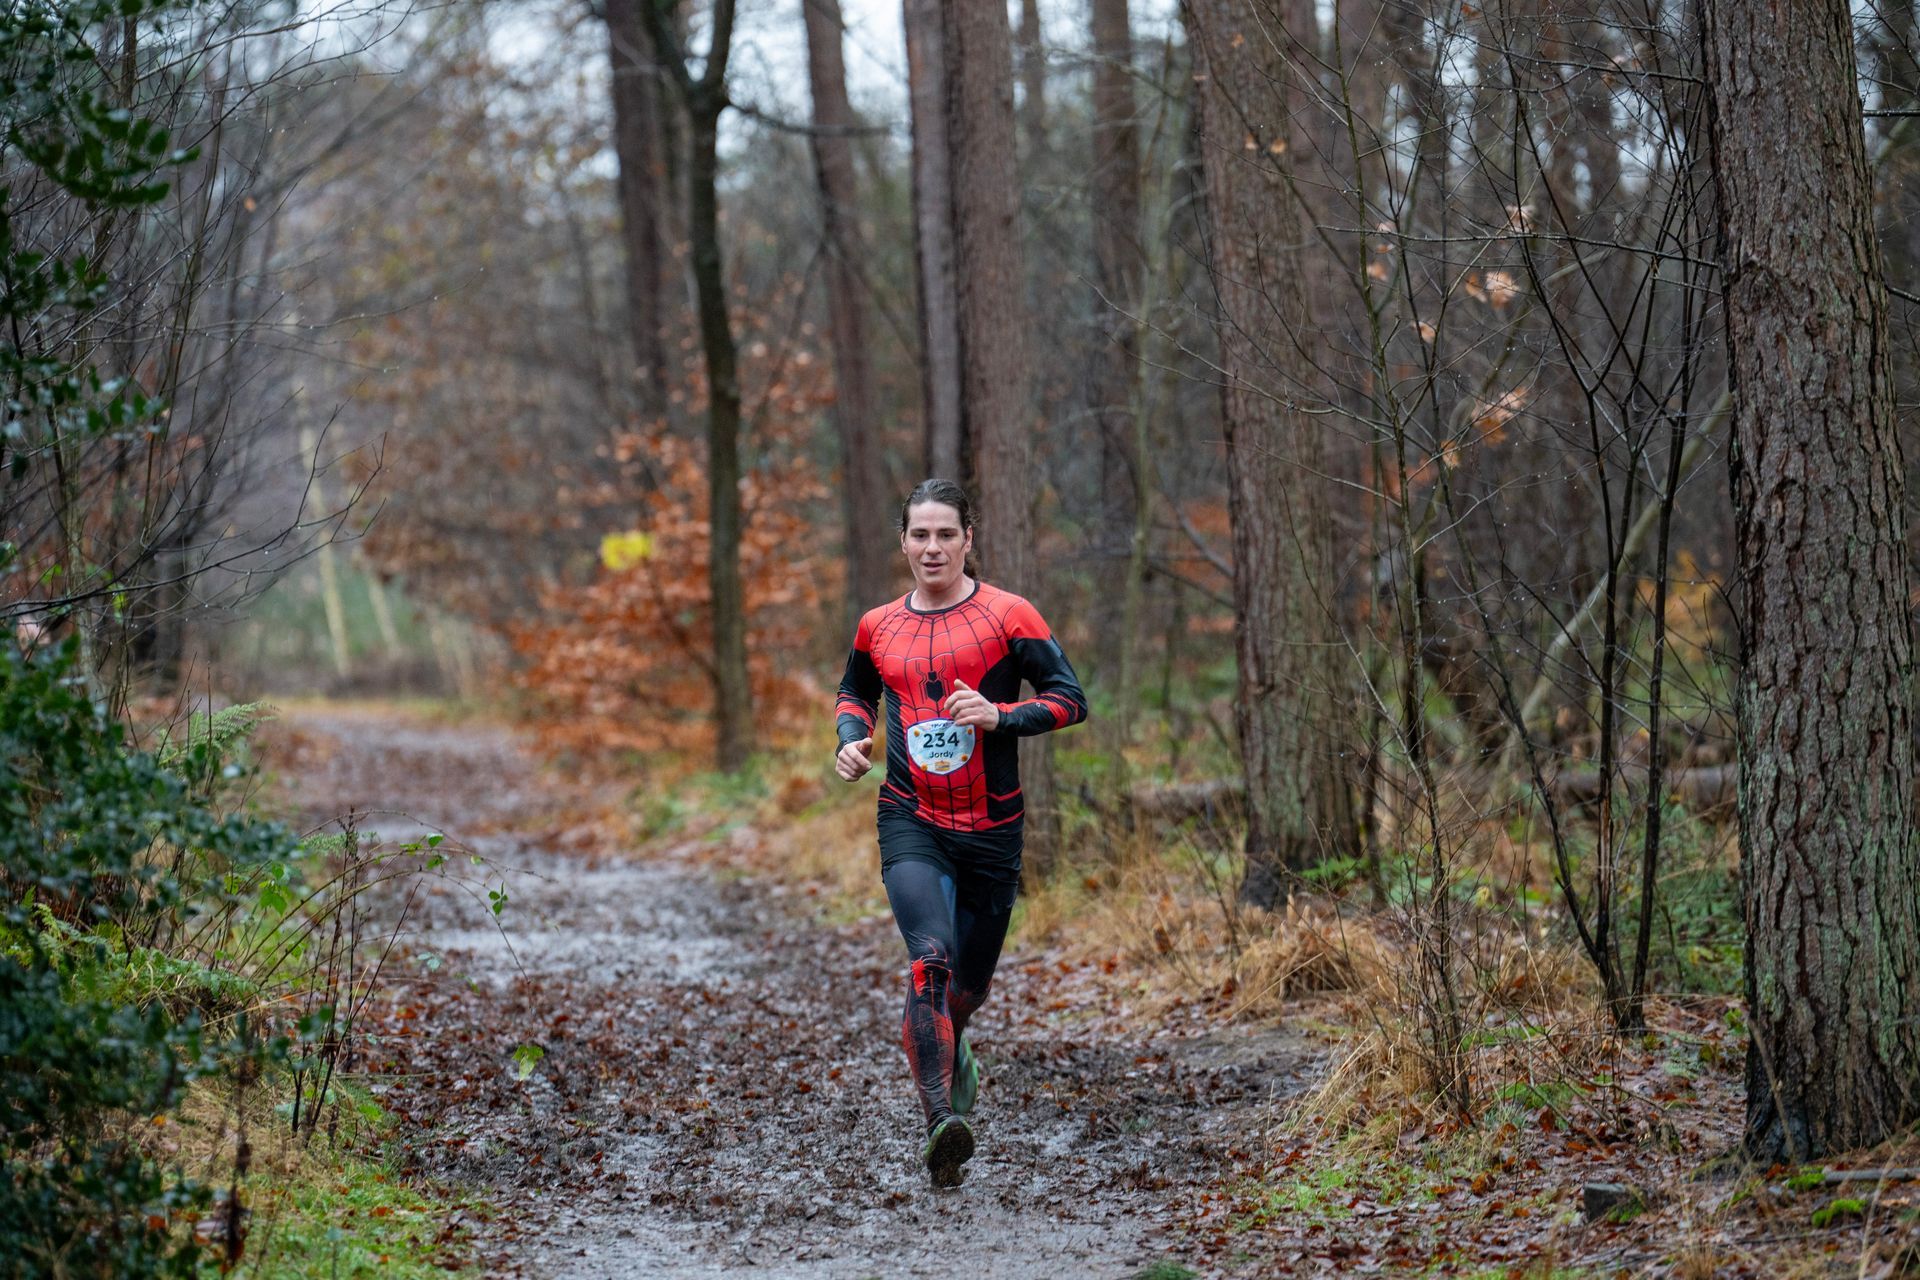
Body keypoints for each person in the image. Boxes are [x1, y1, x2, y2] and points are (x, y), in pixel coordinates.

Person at [833, 478, 1088, 1189]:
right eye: (920, 534)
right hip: (911, 818)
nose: (933, 547)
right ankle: (941, 1123)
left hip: (994, 830)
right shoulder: (877, 625)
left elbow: (1072, 700)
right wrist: (851, 741)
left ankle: (952, 1041)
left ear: (968, 538)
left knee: (965, 992)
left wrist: (1003, 717)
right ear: (904, 541)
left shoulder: (1009, 615)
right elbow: (854, 693)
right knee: (930, 960)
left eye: (946, 534)